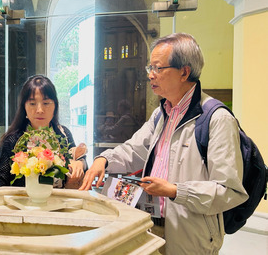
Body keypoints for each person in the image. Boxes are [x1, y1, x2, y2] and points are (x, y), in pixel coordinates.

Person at [79, 33, 248, 254]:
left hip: (191, 234)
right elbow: (134, 150)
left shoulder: (217, 119)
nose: (150, 75)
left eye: (158, 68)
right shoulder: (162, 113)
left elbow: (229, 190)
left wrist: (175, 191)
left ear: (184, 72)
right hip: (152, 225)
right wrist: (104, 159)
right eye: (150, 67)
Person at [0, 75, 87, 191]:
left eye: (46, 103)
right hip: (24, 205)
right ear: (24, 108)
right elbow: (3, 177)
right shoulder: (13, 139)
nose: (39, 110)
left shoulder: (64, 134)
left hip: (57, 204)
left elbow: (78, 160)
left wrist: (80, 163)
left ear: (55, 106)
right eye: (32, 104)